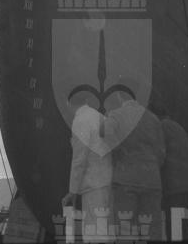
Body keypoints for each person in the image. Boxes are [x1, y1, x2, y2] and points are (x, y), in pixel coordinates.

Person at [104, 79, 165, 240]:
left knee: (125, 229)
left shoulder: (115, 115)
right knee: (152, 230)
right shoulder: (153, 118)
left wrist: (119, 152)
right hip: (151, 180)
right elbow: (161, 153)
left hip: (126, 179)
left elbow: (106, 137)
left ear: (119, 95)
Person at [62, 92, 112, 228]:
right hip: (107, 180)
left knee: (95, 230)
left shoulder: (80, 120)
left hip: (93, 183)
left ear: (69, 105)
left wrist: (73, 191)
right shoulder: (100, 117)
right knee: (106, 227)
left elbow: (79, 159)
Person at [151, 104, 188, 240]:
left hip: (176, 191)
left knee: (176, 234)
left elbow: (158, 156)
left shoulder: (161, 127)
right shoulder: (178, 126)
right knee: (183, 230)